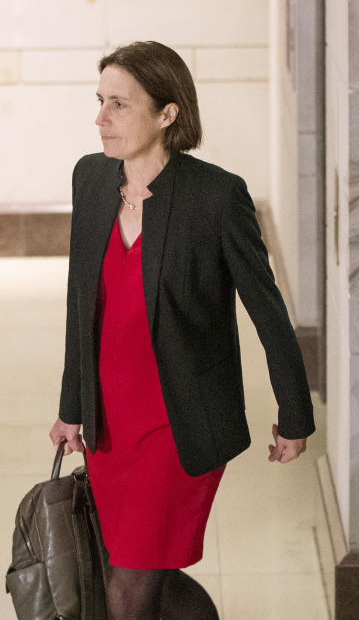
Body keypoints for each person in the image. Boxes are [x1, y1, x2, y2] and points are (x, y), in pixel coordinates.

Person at [49, 41, 315, 619]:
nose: (100, 119)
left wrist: (295, 415)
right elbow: (79, 305)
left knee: (127, 590)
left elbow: (267, 310)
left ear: (167, 114)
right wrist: (72, 405)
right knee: (145, 573)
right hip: (109, 425)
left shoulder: (217, 197)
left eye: (119, 104)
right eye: (99, 102)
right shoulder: (91, 179)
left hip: (177, 423)